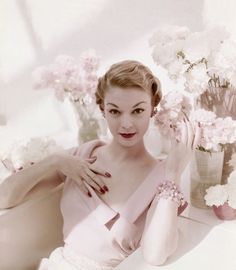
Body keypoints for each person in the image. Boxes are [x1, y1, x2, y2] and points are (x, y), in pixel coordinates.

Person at [0, 60, 199, 270]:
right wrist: (55, 160)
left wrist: (174, 172)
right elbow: (4, 198)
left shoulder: (162, 179)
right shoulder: (84, 155)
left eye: (137, 111)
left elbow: (155, 255)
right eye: (115, 111)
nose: (126, 124)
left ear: (152, 110)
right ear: (103, 109)